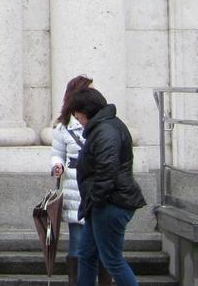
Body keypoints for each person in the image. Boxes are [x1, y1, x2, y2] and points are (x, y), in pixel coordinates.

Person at [68, 87, 146, 286]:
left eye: (78, 116)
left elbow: (107, 171)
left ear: (87, 112)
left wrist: (96, 199)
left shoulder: (105, 130)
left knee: (112, 260)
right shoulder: (105, 126)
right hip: (104, 203)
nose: (77, 120)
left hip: (111, 203)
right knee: (86, 255)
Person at [50, 76, 111, 285]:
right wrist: (57, 166)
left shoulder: (102, 124)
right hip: (74, 185)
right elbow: (57, 153)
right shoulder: (63, 127)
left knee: (103, 241)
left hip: (97, 184)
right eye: (89, 90)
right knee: (77, 240)